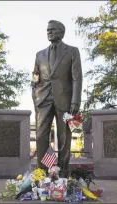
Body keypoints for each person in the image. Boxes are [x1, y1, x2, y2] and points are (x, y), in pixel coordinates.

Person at [31, 20, 82, 178]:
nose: (49, 32)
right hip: (43, 100)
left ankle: (63, 172)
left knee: (64, 137)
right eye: (48, 30)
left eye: (52, 29)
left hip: (65, 101)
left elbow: (77, 78)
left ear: (61, 32)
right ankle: (42, 171)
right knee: (40, 136)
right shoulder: (39, 54)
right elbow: (35, 78)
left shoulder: (72, 51)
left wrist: (75, 101)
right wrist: (34, 95)